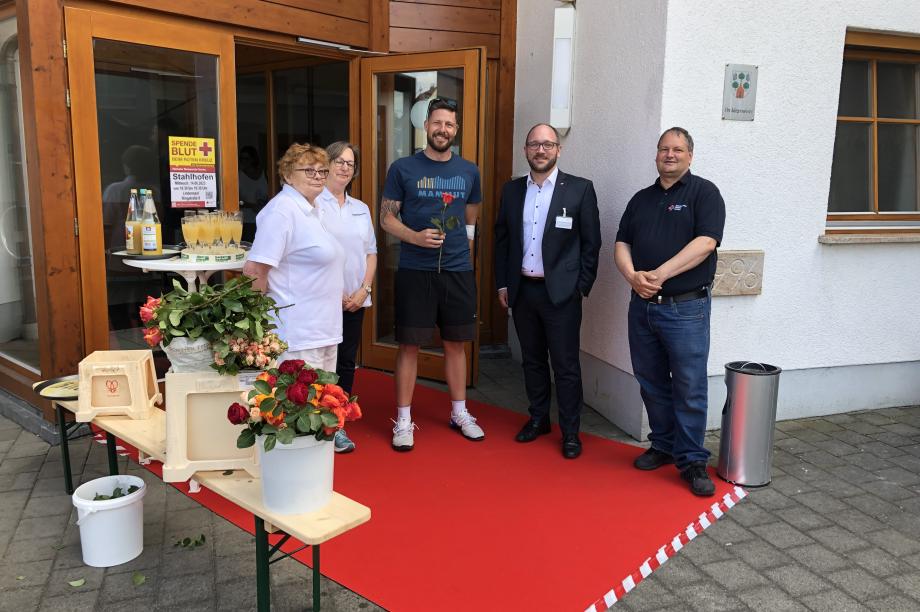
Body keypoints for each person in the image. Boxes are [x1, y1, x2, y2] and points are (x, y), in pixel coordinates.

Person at [614, 127, 726, 496]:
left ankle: (693, 460)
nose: (670, 155)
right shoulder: (641, 200)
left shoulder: (704, 193)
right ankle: (663, 444)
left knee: (690, 387)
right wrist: (632, 277)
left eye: (678, 149)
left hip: (686, 309)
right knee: (651, 381)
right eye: (664, 149)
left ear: (690, 156)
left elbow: (706, 243)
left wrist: (658, 275)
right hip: (642, 307)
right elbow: (621, 242)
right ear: (657, 155)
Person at [379, 97, 483, 451]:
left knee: (456, 343)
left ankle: (459, 412)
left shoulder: (469, 171)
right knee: (409, 345)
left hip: (457, 272)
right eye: (437, 123)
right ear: (425, 126)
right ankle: (404, 420)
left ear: (456, 129)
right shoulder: (403, 168)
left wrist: (465, 260)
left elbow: (471, 219)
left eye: (449, 125)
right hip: (414, 269)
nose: (443, 130)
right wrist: (414, 237)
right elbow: (386, 217)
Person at [493, 123, 602, 459]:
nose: (541, 150)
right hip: (524, 291)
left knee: (566, 366)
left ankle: (571, 432)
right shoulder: (512, 191)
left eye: (548, 144)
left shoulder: (579, 189)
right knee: (533, 361)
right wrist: (503, 283)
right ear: (526, 150)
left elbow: (592, 243)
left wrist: (581, 287)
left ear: (559, 149)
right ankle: (539, 418)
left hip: (562, 295)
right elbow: (503, 240)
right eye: (534, 144)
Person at [243, 143, 345, 373]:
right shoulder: (282, 210)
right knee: (300, 406)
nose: (318, 176)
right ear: (288, 175)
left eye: (322, 171)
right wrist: (255, 326)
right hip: (296, 336)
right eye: (309, 170)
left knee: (323, 405)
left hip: (324, 331)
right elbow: (255, 271)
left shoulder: (316, 209)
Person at [318, 141, 378, 454]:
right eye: (339, 161)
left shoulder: (361, 208)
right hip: (324, 300)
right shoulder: (313, 205)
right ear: (325, 165)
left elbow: (371, 253)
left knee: (346, 362)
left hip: (356, 299)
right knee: (322, 360)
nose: (344, 168)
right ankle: (316, 421)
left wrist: (363, 289)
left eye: (350, 164)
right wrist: (334, 289)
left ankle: (337, 425)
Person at [238, 145, 270, 242]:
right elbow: (234, 199)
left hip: (265, 219)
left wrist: (263, 204)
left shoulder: (266, 174)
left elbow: (274, 194)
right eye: (241, 158)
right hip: (246, 221)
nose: (243, 161)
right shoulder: (238, 176)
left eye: (246, 158)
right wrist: (252, 205)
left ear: (253, 159)